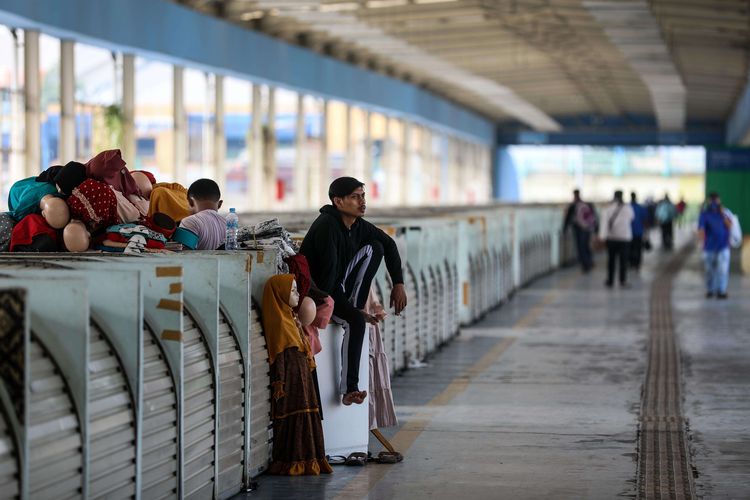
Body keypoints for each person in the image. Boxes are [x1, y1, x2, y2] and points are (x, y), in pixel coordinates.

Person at [300, 177, 407, 406]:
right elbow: (327, 283)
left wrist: (398, 283)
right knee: (356, 323)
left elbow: (389, 244)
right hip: (319, 293)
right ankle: (350, 389)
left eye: (363, 196)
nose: (362, 201)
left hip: (338, 286)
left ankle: (356, 307)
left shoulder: (357, 225)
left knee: (376, 247)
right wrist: (352, 313)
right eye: (355, 197)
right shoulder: (327, 226)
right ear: (338, 201)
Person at [698, 192, 733, 299]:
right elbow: (701, 229)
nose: (714, 202)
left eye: (715, 199)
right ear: (708, 201)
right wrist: (701, 242)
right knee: (709, 270)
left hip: (723, 246)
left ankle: (721, 291)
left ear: (719, 200)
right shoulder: (704, 214)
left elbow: (730, 225)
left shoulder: (725, 212)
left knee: (723, 270)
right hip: (709, 247)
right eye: (712, 199)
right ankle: (710, 290)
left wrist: (722, 213)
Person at [598, 190, 634, 288]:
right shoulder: (627, 208)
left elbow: (604, 223)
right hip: (624, 238)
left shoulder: (608, 208)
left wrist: (602, 237)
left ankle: (610, 280)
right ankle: (622, 281)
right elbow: (632, 218)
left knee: (611, 260)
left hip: (611, 238)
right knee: (623, 261)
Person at [178, 179, 226, 250]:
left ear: (191, 202)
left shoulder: (190, 222)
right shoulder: (228, 224)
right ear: (220, 204)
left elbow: (181, 256)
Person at [563, 189, 597, 273]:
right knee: (586, 245)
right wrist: (596, 228)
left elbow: (567, 219)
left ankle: (585, 265)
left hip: (578, 229)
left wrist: (565, 229)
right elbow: (593, 216)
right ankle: (589, 261)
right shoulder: (587, 204)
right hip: (588, 228)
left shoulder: (573, 205)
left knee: (580, 247)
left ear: (574, 195)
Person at [629, 192, 648, 269]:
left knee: (630, 248)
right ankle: (637, 263)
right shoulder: (641, 207)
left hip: (629, 232)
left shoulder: (627, 207)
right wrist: (646, 231)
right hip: (639, 232)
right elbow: (645, 220)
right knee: (638, 248)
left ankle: (631, 262)